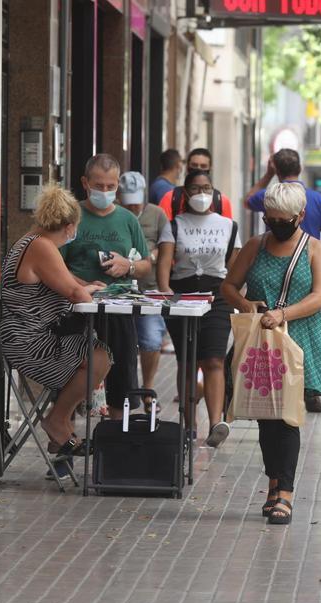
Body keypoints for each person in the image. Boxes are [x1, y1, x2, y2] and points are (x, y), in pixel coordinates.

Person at [222, 182, 321, 525]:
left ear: (300, 216)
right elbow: (228, 285)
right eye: (270, 219)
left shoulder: (316, 249)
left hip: (297, 339)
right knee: (266, 417)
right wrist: (245, 304)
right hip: (261, 342)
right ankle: (274, 484)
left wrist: (283, 314)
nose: (275, 225)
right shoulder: (255, 246)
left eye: (283, 219)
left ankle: (284, 492)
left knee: (286, 417)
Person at [0, 183, 111, 456]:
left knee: (96, 352)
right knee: (100, 357)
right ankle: (57, 421)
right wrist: (90, 297)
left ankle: (60, 423)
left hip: (31, 335)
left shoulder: (31, 242)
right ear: (70, 226)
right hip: (29, 342)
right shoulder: (41, 247)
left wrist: (89, 288)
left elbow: (69, 281)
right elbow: (73, 291)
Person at [62, 154, 153, 420]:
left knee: (122, 375)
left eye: (110, 187)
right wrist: (83, 285)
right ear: (85, 182)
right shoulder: (71, 216)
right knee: (70, 373)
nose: (105, 192)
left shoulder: (127, 219)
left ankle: (117, 436)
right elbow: (55, 265)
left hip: (119, 307)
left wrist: (129, 266)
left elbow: (147, 264)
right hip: (77, 307)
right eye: (99, 186)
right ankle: (62, 438)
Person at [156, 169, 241, 447]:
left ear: (215, 192)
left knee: (214, 359)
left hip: (217, 297)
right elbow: (164, 268)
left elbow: (236, 269)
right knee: (188, 360)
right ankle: (189, 422)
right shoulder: (174, 225)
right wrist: (166, 294)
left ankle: (216, 423)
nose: (201, 194)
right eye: (194, 189)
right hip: (182, 295)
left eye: (206, 188)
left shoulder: (229, 226)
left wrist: (236, 298)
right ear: (185, 192)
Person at [119, 171, 169, 409]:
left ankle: (148, 389)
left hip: (149, 288)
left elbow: (168, 246)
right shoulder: (116, 214)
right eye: (128, 201)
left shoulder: (157, 215)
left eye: (136, 200)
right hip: (119, 289)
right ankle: (119, 391)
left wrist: (152, 256)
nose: (133, 205)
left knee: (150, 340)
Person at [244, 148, 321, 240]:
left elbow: (247, 201)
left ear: (276, 171)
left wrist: (269, 174)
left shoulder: (268, 195)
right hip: (311, 252)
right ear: (300, 168)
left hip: (274, 251)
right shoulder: (318, 199)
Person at [158, 147, 234, 220]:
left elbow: (227, 230)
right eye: (194, 165)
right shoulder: (171, 198)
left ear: (210, 169)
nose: (198, 169)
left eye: (203, 166)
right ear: (187, 167)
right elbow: (164, 229)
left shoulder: (221, 201)